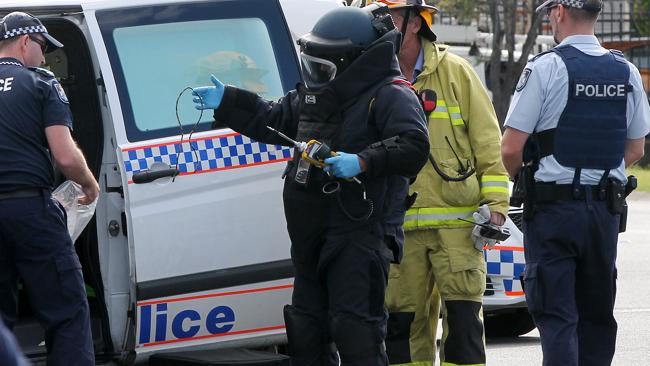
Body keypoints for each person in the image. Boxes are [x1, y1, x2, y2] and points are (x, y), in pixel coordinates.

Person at [192, 4, 430, 366]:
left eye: (323, 67)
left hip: (359, 235)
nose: (315, 74)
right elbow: (271, 118)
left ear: (352, 62)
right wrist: (229, 101)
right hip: (311, 234)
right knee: (306, 332)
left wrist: (363, 161)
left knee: (356, 333)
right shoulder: (316, 97)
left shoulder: (391, 94)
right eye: (312, 65)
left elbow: (413, 144)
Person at [351, 1, 511, 365]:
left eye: (384, 19)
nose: (376, 27)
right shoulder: (372, 79)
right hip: (399, 228)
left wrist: (497, 208)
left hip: (457, 229)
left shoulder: (456, 72)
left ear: (412, 23)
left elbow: (488, 142)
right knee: (401, 331)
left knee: (464, 328)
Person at [501, 1, 650, 365]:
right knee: (596, 318)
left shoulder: (545, 68)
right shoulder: (626, 71)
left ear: (560, 12)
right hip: (603, 214)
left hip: (554, 213)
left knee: (557, 317)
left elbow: (510, 149)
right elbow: (635, 148)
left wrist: (527, 177)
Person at [0, 12, 99, 366]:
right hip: (31, 211)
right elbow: (65, 156)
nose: (44, 58)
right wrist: (90, 184)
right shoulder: (41, 82)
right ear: (25, 42)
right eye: (42, 48)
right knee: (68, 312)